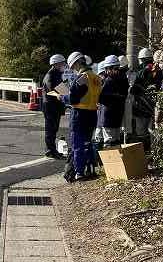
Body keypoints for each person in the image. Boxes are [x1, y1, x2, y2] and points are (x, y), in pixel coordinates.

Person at [64, 51, 102, 182]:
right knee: (88, 143)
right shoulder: (96, 77)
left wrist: (62, 97)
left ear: (78, 63)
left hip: (79, 115)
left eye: (73, 66)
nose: (73, 69)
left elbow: (73, 98)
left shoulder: (82, 78)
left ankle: (79, 172)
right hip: (92, 114)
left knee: (78, 145)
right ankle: (90, 169)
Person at [96, 54, 129, 147]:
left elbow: (100, 98)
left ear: (110, 68)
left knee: (109, 143)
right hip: (118, 116)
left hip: (108, 117)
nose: (106, 72)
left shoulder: (109, 80)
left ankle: (109, 157)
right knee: (116, 142)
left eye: (106, 69)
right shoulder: (124, 78)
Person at [131, 47, 160, 150]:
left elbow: (133, 90)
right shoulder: (158, 70)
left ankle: (143, 153)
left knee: (141, 132)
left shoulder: (141, 72)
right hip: (154, 107)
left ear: (141, 59)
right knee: (154, 131)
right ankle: (154, 152)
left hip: (141, 108)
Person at [41, 53, 66, 158]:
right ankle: (50, 150)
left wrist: (66, 96)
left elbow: (62, 89)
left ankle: (52, 149)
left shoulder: (57, 74)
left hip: (55, 106)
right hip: (50, 106)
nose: (63, 65)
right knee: (50, 129)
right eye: (62, 63)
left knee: (54, 128)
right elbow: (51, 90)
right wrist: (61, 96)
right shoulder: (50, 75)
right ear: (56, 64)